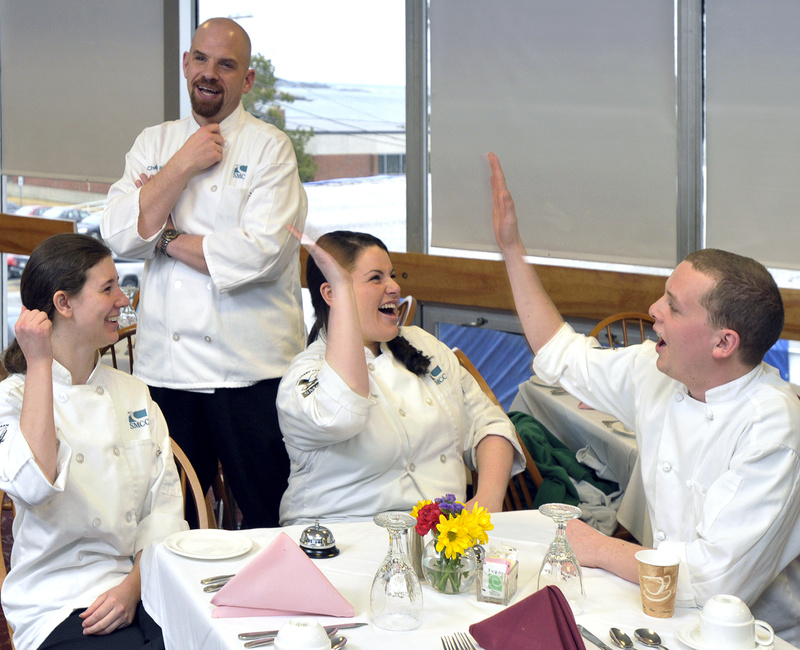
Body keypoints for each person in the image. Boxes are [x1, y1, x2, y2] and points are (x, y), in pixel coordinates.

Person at [488, 152, 800, 642]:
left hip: (749, 635)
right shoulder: (657, 373)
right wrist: (511, 248)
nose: (653, 310)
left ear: (724, 343)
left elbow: (714, 579)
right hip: (658, 608)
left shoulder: (773, 425)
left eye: (672, 307)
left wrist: (595, 546)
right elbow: (561, 355)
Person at [100, 18, 308, 528]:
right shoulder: (155, 143)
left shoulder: (269, 149)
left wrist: (166, 237)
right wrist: (182, 166)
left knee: (266, 516)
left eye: (226, 64)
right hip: (165, 372)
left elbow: (256, 255)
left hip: (250, 371)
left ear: (248, 79)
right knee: (170, 520)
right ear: (187, 63)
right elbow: (120, 235)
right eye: (200, 59)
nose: (208, 73)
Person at [0, 234, 187, 650]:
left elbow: (164, 513)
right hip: (56, 600)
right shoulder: (12, 398)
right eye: (108, 288)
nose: (123, 299)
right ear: (63, 304)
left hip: (142, 585)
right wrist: (40, 362)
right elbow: (33, 483)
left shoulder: (134, 393)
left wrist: (132, 589)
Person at [277, 228, 525, 526]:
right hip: (340, 536)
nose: (394, 286)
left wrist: (488, 499)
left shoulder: (423, 345)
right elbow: (342, 413)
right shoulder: (304, 375)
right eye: (376, 278)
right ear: (331, 294)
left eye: (392, 275)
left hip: (442, 538)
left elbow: (489, 423)